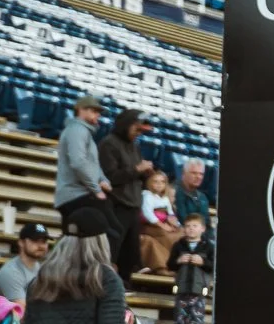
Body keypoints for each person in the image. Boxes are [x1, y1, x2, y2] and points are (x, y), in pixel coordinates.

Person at [97, 110, 154, 279]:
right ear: (126, 125)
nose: (139, 133)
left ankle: (125, 285)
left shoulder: (134, 146)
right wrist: (137, 169)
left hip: (133, 204)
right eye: (137, 129)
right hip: (116, 205)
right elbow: (110, 177)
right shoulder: (109, 144)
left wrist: (145, 173)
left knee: (129, 254)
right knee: (112, 251)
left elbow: (135, 174)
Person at [52, 94, 111, 232]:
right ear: (81, 110)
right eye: (94, 110)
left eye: (99, 112)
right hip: (77, 194)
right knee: (109, 232)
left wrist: (103, 180)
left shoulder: (82, 131)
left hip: (77, 194)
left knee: (75, 237)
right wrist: (96, 189)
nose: (98, 115)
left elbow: (93, 164)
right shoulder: (77, 130)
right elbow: (78, 163)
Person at [168, 216, 214, 324]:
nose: (191, 228)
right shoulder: (178, 245)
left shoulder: (209, 246)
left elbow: (213, 267)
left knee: (196, 319)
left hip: (199, 289)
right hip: (181, 288)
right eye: (188, 226)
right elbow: (170, 265)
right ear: (184, 228)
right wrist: (178, 261)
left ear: (203, 229)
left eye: (194, 226)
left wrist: (203, 262)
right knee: (180, 319)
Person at [0, 221, 51, 305]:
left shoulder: (41, 268)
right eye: (35, 240)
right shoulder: (10, 272)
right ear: (21, 243)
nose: (41, 246)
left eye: (44, 241)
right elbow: (21, 311)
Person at [136, 168, 180, 271]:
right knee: (167, 236)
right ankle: (165, 265)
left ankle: (177, 264)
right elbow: (148, 214)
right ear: (150, 183)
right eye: (156, 181)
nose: (159, 184)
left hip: (163, 224)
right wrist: (163, 226)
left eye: (162, 182)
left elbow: (170, 214)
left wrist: (175, 224)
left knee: (180, 233)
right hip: (150, 226)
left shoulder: (164, 198)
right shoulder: (147, 196)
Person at [172, 159, 213, 230]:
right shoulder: (173, 192)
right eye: (194, 173)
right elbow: (183, 221)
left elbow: (207, 223)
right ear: (183, 173)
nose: (198, 177)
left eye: (201, 174)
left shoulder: (202, 197)